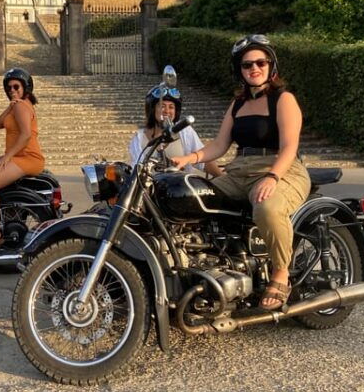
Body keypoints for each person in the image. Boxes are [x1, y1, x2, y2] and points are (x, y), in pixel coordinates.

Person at [171, 35, 311, 309]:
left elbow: (289, 147)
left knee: (266, 208)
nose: (254, 69)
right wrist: (189, 157)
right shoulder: (237, 105)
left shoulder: (283, 99)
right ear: (240, 71)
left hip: (281, 169)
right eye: (247, 65)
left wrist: (272, 177)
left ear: (271, 66)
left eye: (261, 62)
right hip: (239, 171)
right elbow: (220, 145)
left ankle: (281, 273)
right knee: (195, 196)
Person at [0, 67, 45, 253]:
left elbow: (26, 136)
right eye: (8, 88)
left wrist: (7, 156)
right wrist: (11, 104)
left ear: (26, 87)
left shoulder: (22, 106)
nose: (12, 90)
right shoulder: (17, 105)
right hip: (20, 156)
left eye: (16, 86)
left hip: (28, 157)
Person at [128, 85, 223, 178]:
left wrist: (222, 177)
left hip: (179, 189)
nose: (167, 111)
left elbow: (203, 161)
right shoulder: (138, 138)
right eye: (162, 106)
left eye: (171, 107)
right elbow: (134, 170)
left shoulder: (184, 132)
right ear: (152, 110)